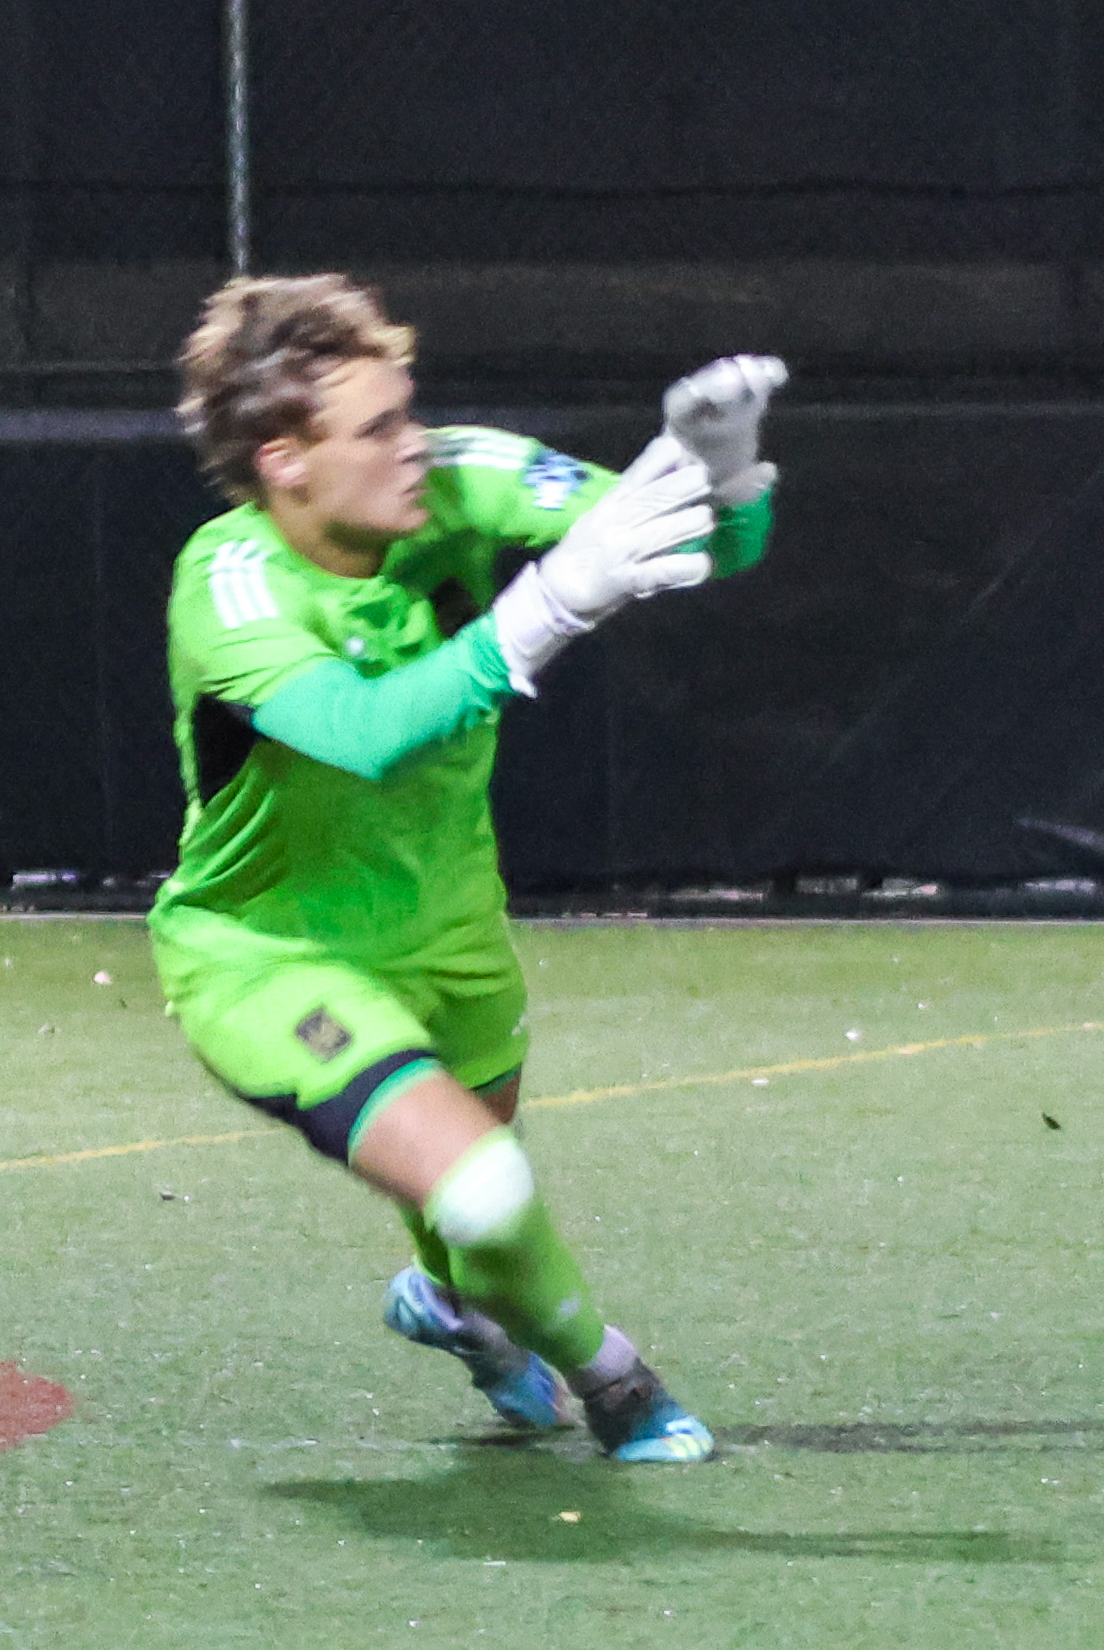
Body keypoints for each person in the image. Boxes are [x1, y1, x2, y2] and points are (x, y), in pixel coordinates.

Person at [149, 272, 783, 1464]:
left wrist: (725, 472)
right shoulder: (228, 584)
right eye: (376, 429)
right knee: (485, 1191)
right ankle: (620, 1385)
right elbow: (364, 733)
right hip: (272, 960)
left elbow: (700, 548)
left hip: (455, 933)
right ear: (285, 461)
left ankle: (460, 1315)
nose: (414, 446)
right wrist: (551, 604)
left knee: (475, 1223)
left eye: (410, 412)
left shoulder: (459, 474)